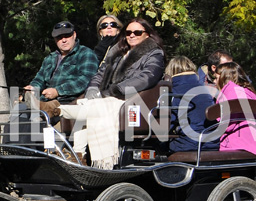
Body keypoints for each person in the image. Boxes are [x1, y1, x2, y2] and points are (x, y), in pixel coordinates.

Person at [61, 18, 166, 168]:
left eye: (137, 32)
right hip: (107, 97)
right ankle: (78, 156)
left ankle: (58, 110)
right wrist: (93, 89)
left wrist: (113, 91)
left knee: (94, 108)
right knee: (90, 106)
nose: (132, 35)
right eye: (128, 32)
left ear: (147, 35)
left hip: (131, 100)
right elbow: (100, 74)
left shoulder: (154, 53)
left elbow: (146, 78)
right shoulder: (117, 52)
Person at [23, 21, 99, 121]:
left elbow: (85, 80)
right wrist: (32, 88)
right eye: (59, 37)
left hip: (69, 103)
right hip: (44, 101)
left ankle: (41, 111)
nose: (63, 40)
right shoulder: (49, 58)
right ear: (55, 40)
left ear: (74, 35)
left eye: (67, 36)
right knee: (15, 120)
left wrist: (58, 91)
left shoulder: (86, 54)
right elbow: (39, 79)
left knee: (36, 124)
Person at [165, 56, 219, 153]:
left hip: (190, 145)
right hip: (213, 143)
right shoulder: (205, 91)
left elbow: (167, 126)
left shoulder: (174, 92)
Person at [213, 62, 256, 157]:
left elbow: (227, 125)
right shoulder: (249, 92)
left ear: (224, 77)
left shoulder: (230, 91)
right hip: (251, 143)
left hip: (233, 144)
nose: (214, 82)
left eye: (216, 78)